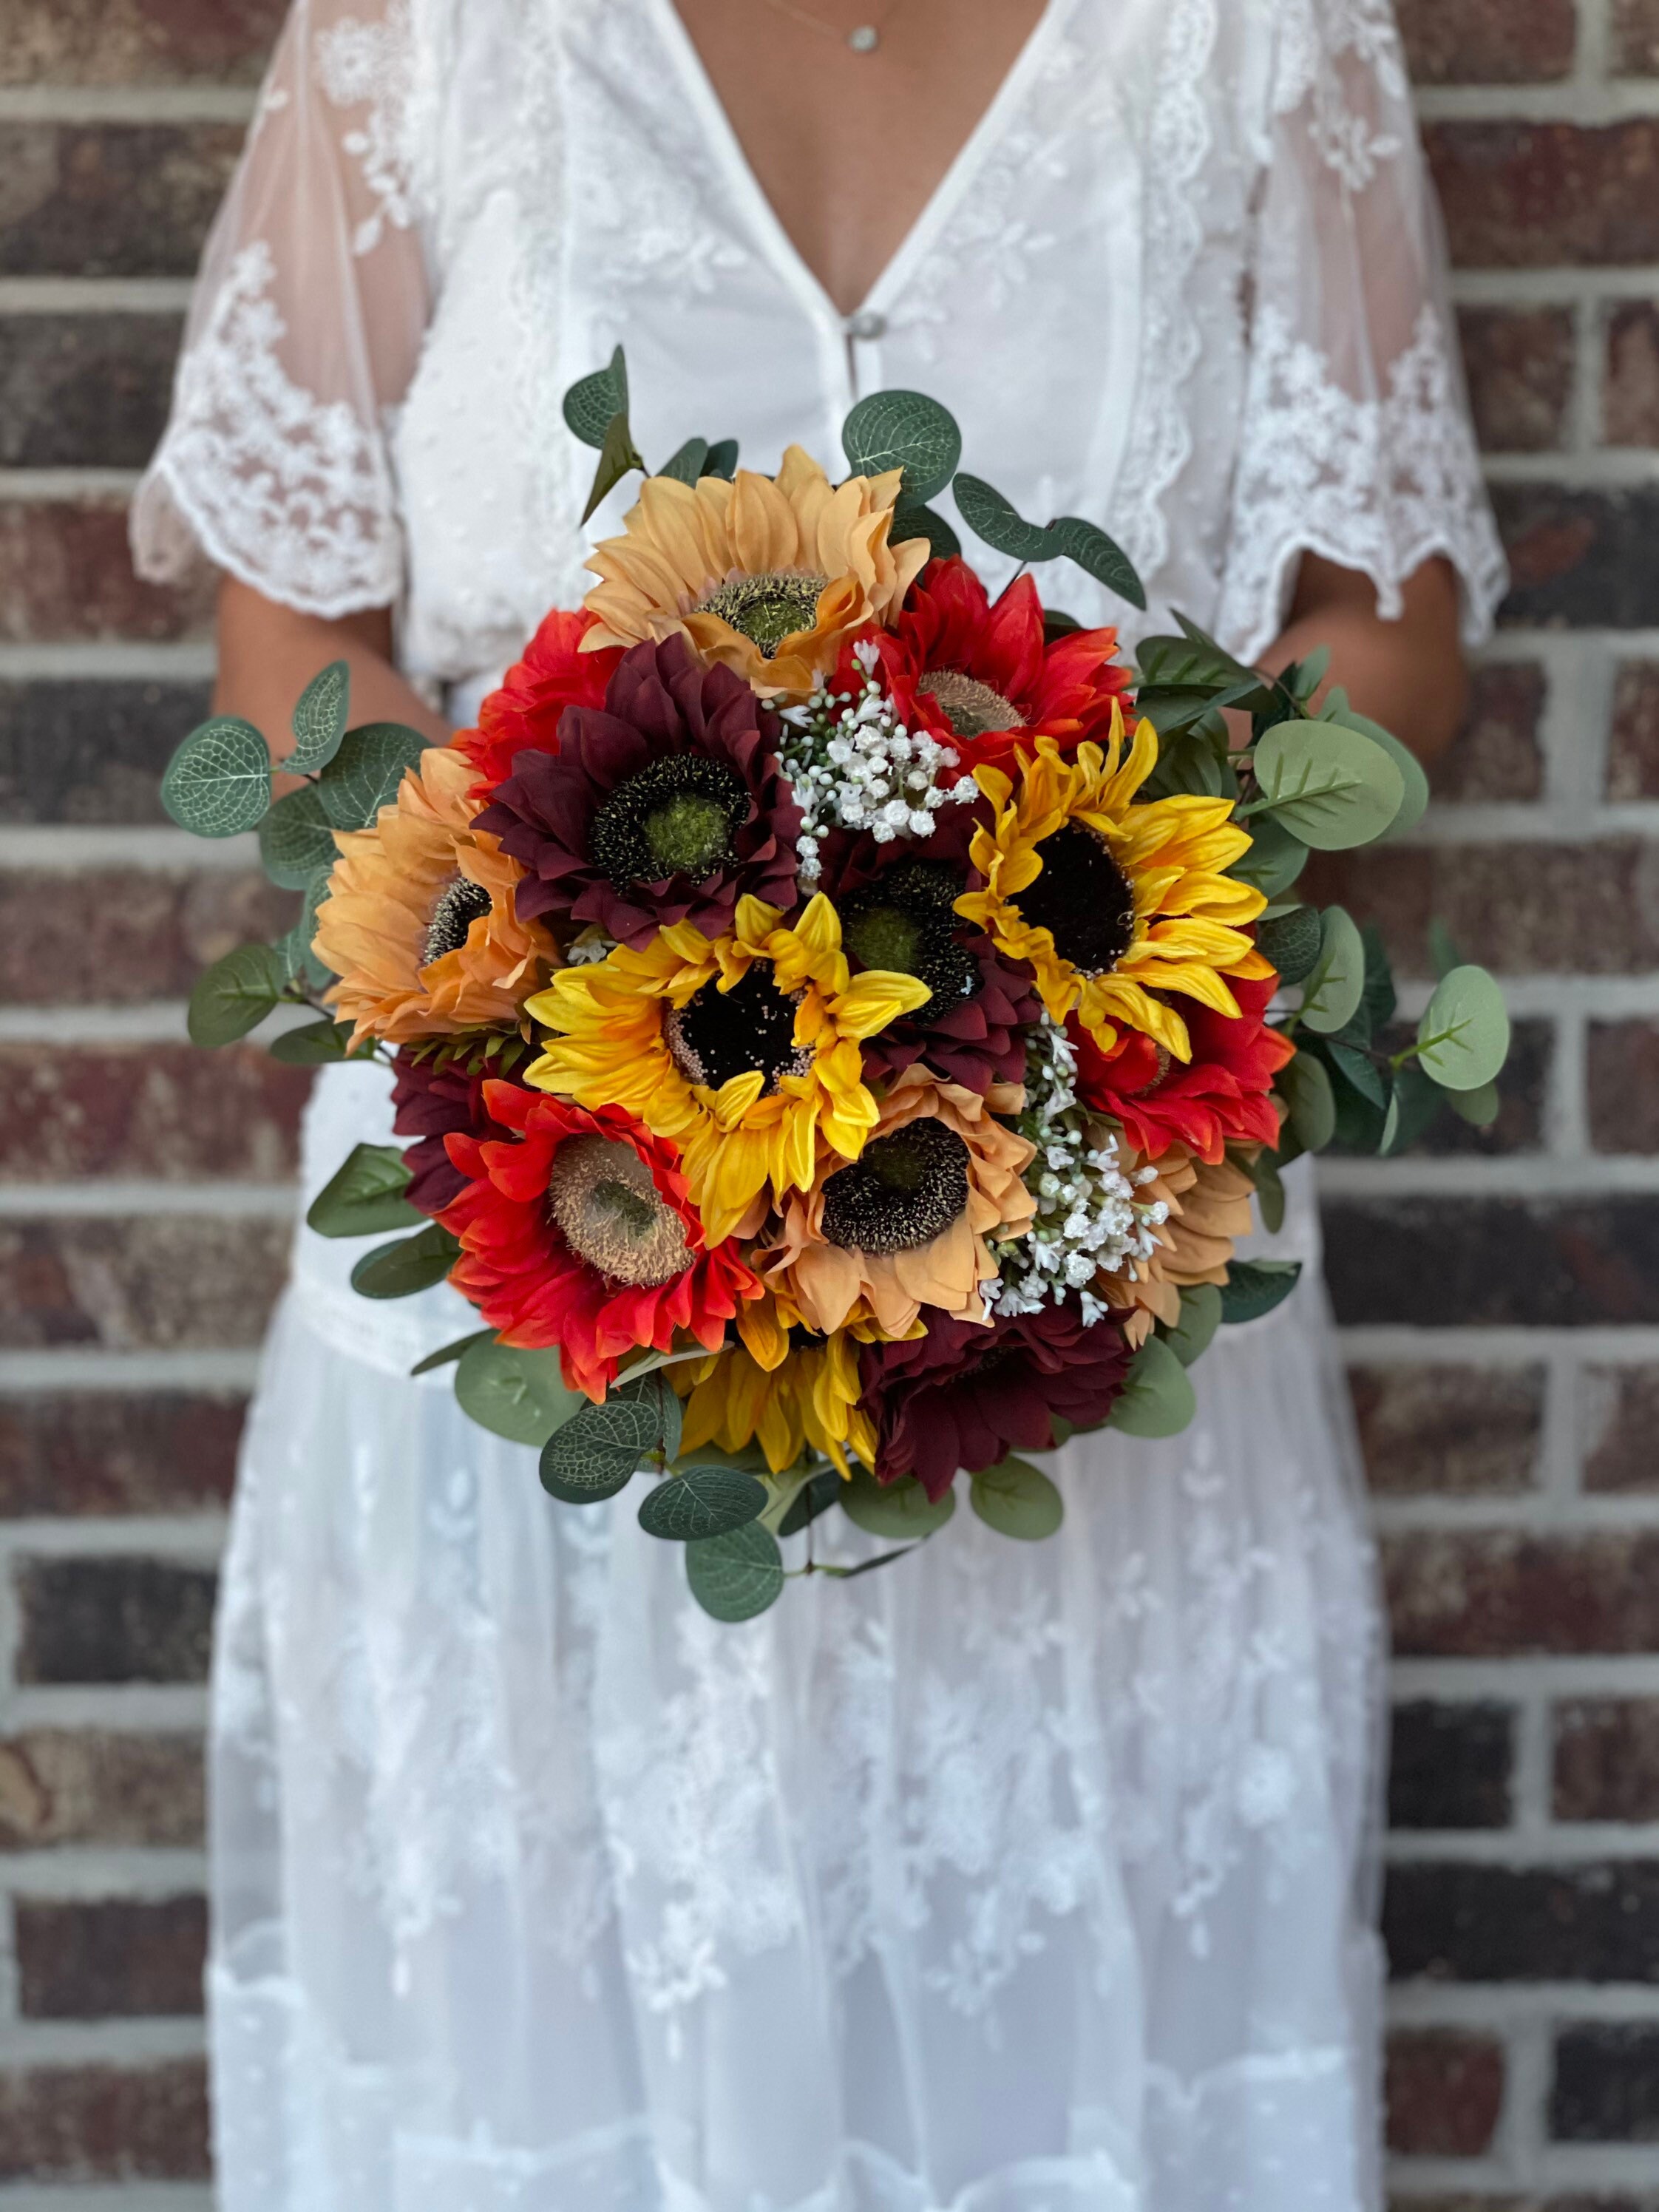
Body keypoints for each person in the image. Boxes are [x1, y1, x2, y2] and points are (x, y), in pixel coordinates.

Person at [133, 1, 1505, 2205]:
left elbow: (1390, 639)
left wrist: (1041, 927)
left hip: (1086, 1284)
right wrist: (570, 974)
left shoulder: (1259, 34)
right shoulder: (423, 31)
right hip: (537, 1276)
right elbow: (289, 643)